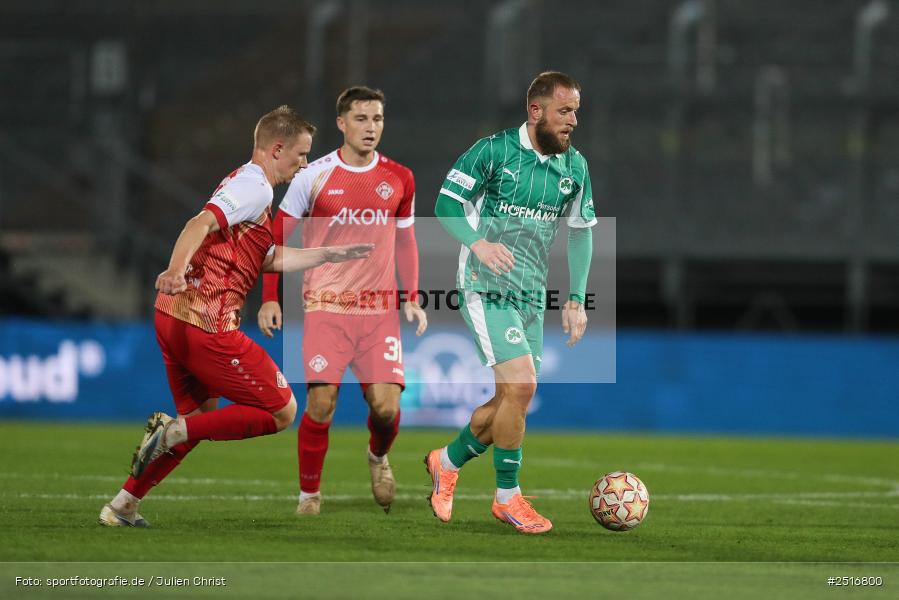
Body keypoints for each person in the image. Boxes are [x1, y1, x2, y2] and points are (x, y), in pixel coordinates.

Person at [98, 106, 373, 527]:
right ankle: (171, 433)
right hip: (207, 323)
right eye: (300, 155)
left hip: (173, 319)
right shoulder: (255, 187)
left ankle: (122, 505)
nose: (303, 165)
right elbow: (200, 222)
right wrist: (174, 270)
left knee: (200, 420)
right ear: (276, 148)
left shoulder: (246, 187)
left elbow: (266, 257)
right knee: (281, 410)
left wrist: (331, 254)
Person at [424, 71, 596, 534]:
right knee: (522, 387)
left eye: (576, 111)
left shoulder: (574, 167)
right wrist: (478, 243)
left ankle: (447, 460)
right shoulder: (493, 151)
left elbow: (580, 233)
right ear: (535, 110)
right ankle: (508, 498)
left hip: (531, 295)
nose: (573, 121)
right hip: (484, 284)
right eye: (565, 111)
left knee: (507, 401)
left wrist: (577, 298)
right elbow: (445, 203)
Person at [258, 87, 426, 515]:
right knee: (321, 403)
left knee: (386, 409)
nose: (371, 128)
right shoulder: (312, 175)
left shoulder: (399, 178)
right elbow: (278, 234)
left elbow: (406, 239)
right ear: (342, 123)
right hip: (324, 309)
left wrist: (412, 297)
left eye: (378, 119)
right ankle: (309, 495)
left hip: (378, 314)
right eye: (362, 119)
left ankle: (377, 457)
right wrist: (270, 298)